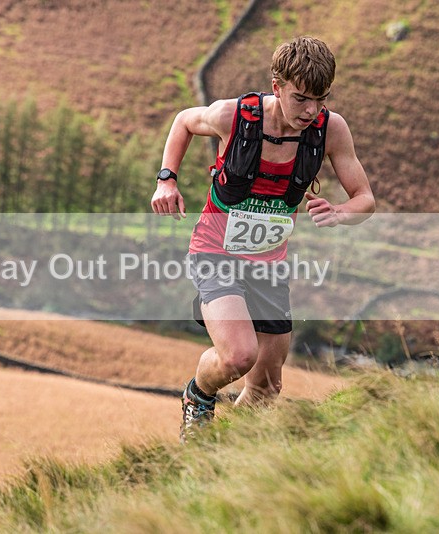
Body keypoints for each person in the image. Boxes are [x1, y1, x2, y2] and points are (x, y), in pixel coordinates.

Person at [150, 36, 375, 442]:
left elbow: (366, 200)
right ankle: (198, 397)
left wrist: (340, 213)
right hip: (215, 252)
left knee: (267, 388)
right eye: (301, 98)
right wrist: (167, 180)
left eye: (321, 100)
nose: (311, 111)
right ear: (277, 87)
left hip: (269, 264)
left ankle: (229, 453)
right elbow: (184, 120)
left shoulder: (331, 130)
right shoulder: (232, 116)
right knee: (238, 356)